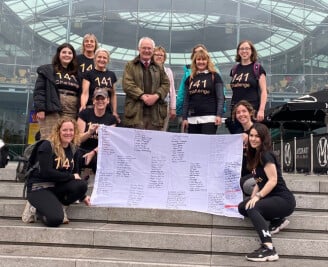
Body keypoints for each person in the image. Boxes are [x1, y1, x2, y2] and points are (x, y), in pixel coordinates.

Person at [238, 123, 296, 262]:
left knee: (253, 207)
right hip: (272, 199)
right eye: (251, 135)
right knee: (243, 207)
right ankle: (277, 220)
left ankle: (268, 248)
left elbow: (273, 180)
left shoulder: (266, 155)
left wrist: (257, 197)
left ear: (263, 138)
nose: (253, 139)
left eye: (257, 136)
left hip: (283, 199)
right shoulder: (255, 156)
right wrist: (252, 197)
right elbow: (259, 181)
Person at [22, 117, 91, 227]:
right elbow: (46, 172)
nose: (68, 133)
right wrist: (71, 177)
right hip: (39, 188)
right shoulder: (47, 146)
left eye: (71, 130)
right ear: (58, 131)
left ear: (75, 132)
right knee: (55, 220)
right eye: (65, 130)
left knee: (82, 184)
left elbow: (75, 175)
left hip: (56, 187)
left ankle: (60, 207)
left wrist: (82, 196)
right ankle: (36, 208)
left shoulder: (74, 150)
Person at [33, 43, 81, 139]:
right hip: (52, 108)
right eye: (64, 52)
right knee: (50, 138)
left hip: (71, 110)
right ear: (59, 54)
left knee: (67, 138)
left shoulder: (77, 73)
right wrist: (40, 109)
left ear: (73, 56)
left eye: (69, 53)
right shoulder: (48, 70)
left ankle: (63, 155)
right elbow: (39, 91)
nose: (67, 55)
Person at [122, 37, 170, 130]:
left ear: (153, 50)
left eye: (149, 48)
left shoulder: (159, 67)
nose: (147, 50)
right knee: (135, 143)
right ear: (138, 49)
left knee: (154, 143)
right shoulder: (130, 65)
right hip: (135, 116)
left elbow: (166, 84)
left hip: (155, 116)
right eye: (144, 48)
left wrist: (156, 96)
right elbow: (127, 84)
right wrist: (142, 96)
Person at [228, 40, 267, 134]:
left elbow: (264, 91)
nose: (244, 51)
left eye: (247, 48)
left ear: (252, 51)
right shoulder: (234, 69)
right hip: (237, 112)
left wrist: (261, 110)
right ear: (238, 51)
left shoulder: (257, 68)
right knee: (237, 140)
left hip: (252, 111)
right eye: (241, 49)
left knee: (251, 138)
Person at [181, 50, 224, 134]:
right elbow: (186, 100)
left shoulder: (215, 76)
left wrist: (219, 115)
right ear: (195, 61)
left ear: (207, 61)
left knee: (207, 146)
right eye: (198, 59)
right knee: (194, 146)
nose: (201, 62)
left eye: (203, 59)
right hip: (192, 120)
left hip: (209, 118)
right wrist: (184, 118)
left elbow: (220, 98)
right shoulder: (189, 79)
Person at [77, 88, 117, 174]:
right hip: (83, 148)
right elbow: (77, 139)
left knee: (99, 160)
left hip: (100, 151)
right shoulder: (84, 114)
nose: (100, 101)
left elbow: (108, 143)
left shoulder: (111, 119)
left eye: (103, 98)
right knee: (77, 157)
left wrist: (94, 152)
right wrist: (89, 132)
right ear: (93, 101)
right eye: (97, 99)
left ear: (108, 100)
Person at [80, 48, 120, 122]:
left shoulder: (112, 75)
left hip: (106, 110)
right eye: (99, 57)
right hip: (92, 108)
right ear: (95, 59)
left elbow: (113, 95)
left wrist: (114, 111)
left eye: (104, 58)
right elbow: (85, 93)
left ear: (108, 60)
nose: (102, 59)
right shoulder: (89, 73)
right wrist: (83, 105)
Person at [176, 44, 207, 118]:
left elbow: (221, 92)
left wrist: (221, 110)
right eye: (195, 52)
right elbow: (182, 93)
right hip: (191, 112)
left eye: (201, 51)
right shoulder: (188, 73)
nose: (198, 54)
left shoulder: (214, 72)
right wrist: (180, 111)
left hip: (208, 112)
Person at [232, 100, 255, 196]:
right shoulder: (237, 132)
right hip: (242, 173)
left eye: (244, 111)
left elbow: (265, 150)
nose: (241, 114)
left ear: (250, 113)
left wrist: (249, 140)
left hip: (260, 175)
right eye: (238, 112)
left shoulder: (259, 129)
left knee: (246, 184)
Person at [153, 46, 176, 131]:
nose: (159, 56)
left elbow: (172, 90)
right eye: (156, 54)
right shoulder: (147, 69)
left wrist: (173, 108)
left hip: (164, 104)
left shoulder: (168, 71)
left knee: (162, 130)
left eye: (161, 55)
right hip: (150, 104)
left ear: (164, 58)